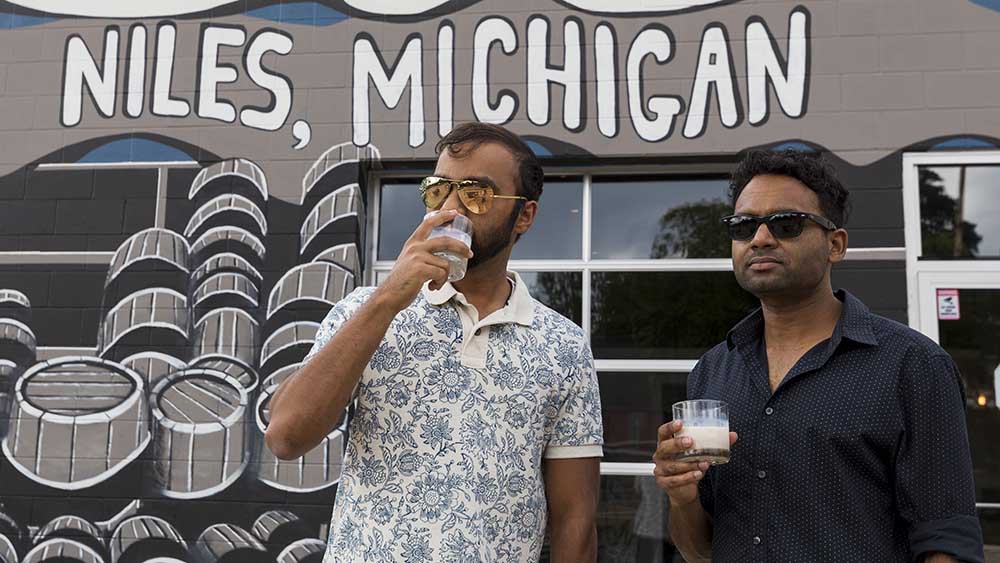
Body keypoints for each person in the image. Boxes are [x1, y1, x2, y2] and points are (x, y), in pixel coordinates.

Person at [265, 122, 604, 562]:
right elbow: (285, 439)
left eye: (475, 193)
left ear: (524, 215)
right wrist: (388, 298)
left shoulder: (563, 347)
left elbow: (575, 519)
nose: (451, 207)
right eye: (438, 189)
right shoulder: (366, 311)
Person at [652, 150, 985, 562]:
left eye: (785, 223)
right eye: (743, 226)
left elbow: (946, 540)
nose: (760, 238)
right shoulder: (713, 371)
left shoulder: (912, 365)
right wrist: (681, 496)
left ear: (836, 244)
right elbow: (700, 550)